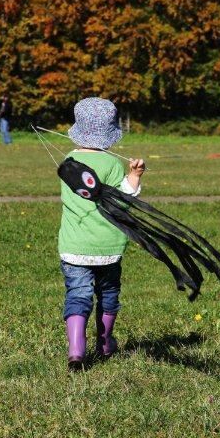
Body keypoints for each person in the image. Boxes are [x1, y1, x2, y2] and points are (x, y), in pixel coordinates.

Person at [58, 97, 145, 370]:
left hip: (74, 246)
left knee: (78, 295)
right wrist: (135, 175)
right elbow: (123, 199)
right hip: (108, 248)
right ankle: (105, 342)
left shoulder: (68, 163)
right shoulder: (111, 164)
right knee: (108, 294)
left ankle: (76, 351)